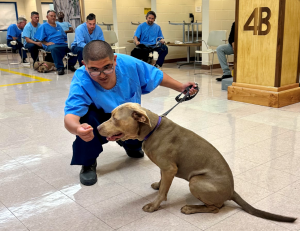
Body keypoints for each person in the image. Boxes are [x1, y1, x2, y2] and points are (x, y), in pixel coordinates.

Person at [64, 40, 197, 186]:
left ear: (114, 60)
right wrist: (77, 128)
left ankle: (131, 145)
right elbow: (70, 116)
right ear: (84, 64)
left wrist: (180, 87)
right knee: (87, 120)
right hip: (101, 116)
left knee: (140, 119)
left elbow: (156, 75)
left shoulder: (129, 64)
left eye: (107, 67)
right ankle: (88, 163)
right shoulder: (81, 79)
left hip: (126, 117)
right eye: (94, 69)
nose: (102, 75)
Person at [34, 10, 77, 75]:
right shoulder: (43, 26)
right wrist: (45, 43)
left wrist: (68, 42)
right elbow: (38, 38)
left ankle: (70, 65)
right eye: (51, 16)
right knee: (55, 49)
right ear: (47, 17)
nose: (53, 17)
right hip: (52, 45)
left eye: (54, 16)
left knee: (75, 47)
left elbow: (64, 37)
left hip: (62, 43)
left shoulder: (58, 26)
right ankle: (60, 68)